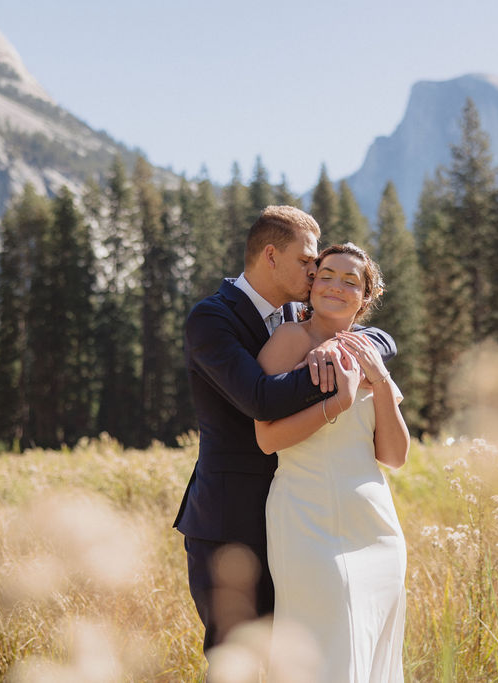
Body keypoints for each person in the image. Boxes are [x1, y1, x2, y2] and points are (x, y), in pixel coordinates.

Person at [173, 206, 396, 655]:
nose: (315, 274)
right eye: (306, 262)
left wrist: (343, 345)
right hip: (230, 521)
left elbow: (378, 334)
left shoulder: (299, 311)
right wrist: (337, 372)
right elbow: (258, 396)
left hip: (300, 519)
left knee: (303, 651)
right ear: (271, 256)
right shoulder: (212, 319)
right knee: (234, 654)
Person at [256, 243, 409, 683]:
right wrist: (339, 401)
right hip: (306, 520)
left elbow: (394, 456)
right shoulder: (289, 341)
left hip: (375, 526)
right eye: (326, 275)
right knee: (324, 652)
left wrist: (377, 380)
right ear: (311, 285)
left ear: (366, 297)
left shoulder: (369, 351)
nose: (336, 286)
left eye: (350, 281)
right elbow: (266, 439)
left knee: (373, 653)